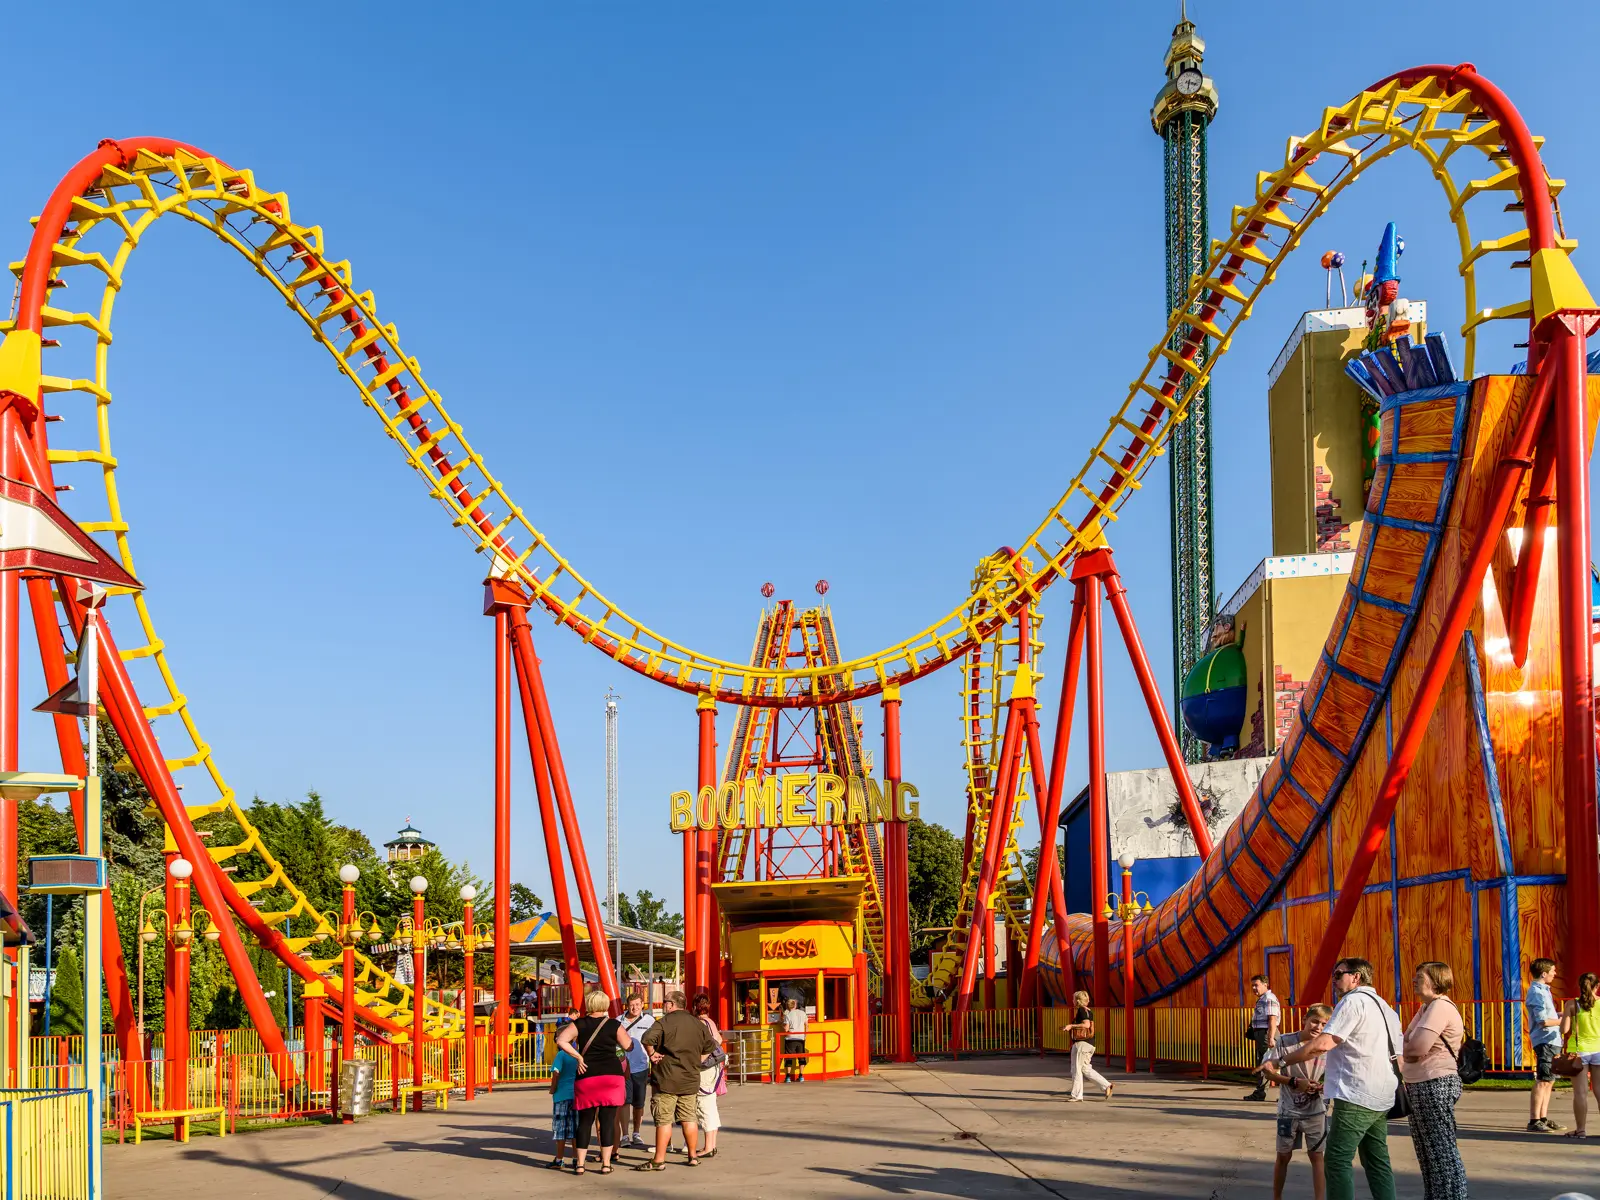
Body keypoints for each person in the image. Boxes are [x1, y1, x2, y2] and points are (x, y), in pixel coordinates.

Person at [1282, 957, 1403, 1200]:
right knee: (1377, 1160)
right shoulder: (1386, 1008)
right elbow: (1397, 1056)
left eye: (1338, 975)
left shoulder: (1353, 1001)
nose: (1334, 981)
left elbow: (1324, 1043)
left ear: (1356, 977)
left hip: (1357, 1094)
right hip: (1382, 1094)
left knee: (1337, 1160)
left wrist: (1282, 1061)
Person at [1402, 962, 1466, 1199]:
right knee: (1426, 1150)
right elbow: (1405, 1043)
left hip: (1435, 1083)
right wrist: (1407, 1049)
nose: (1414, 981)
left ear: (1436, 980)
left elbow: (1414, 1048)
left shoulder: (1440, 1007)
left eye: (1420, 977)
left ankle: (1452, 1196)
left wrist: (1408, 1049)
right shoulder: (1425, 1008)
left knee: (1441, 1151)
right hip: (1419, 1083)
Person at [1258, 1003, 1334, 1200]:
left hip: (1316, 1111)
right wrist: (1293, 1082)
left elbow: (1337, 1076)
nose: (1318, 1027)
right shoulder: (1285, 1041)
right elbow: (1268, 1070)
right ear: (1304, 1020)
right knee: (1283, 1156)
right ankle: (1277, 1197)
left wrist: (1322, 1086)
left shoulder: (1328, 1046)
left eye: (1324, 1024)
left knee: (1317, 1156)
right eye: (1315, 1021)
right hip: (1288, 1110)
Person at [635, 990, 717, 1172]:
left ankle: (659, 1160)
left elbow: (646, 1038)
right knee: (689, 1117)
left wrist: (652, 1054)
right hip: (690, 1079)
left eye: (665, 1002)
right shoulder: (697, 1023)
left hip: (666, 1079)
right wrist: (697, 1061)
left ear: (671, 1005)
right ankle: (693, 1156)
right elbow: (711, 1046)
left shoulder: (664, 1022)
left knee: (664, 1120)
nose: (663, 1005)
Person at [554, 990, 633, 1175]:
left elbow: (561, 1040)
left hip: (586, 1076)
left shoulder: (579, 1023)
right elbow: (628, 1045)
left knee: (585, 1121)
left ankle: (580, 1164)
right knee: (607, 1121)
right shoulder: (614, 1024)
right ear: (605, 1004)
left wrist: (579, 1056)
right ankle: (606, 1164)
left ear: (589, 1004)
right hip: (611, 1077)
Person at [1559, 971, 1600, 1140]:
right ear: (1597, 986)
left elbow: (1564, 1030)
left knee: (1580, 1093)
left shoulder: (1572, 1004)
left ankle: (1581, 1130)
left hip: (1578, 1051)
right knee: (1599, 1090)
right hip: (1598, 1049)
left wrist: (1564, 1017)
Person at [1526, 958, 1565, 1131]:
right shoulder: (1537, 992)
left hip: (1552, 1040)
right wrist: (1561, 1021)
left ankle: (1543, 1117)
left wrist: (1561, 1014)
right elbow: (1543, 1021)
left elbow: (1548, 1015)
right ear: (1544, 973)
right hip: (1545, 1040)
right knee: (1543, 1079)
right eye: (1553, 971)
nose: (1554, 974)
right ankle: (1534, 1120)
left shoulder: (1544, 991)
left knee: (1549, 1080)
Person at [618, 993, 656, 1149]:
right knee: (625, 1102)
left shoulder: (650, 1021)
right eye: (632, 1005)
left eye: (638, 1005)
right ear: (627, 1005)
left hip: (641, 1067)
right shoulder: (618, 1021)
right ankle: (625, 1134)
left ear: (643, 1005)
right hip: (623, 1068)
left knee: (639, 1103)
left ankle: (637, 1133)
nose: (635, 1008)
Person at [546, 1007, 580, 1170]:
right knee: (574, 1128)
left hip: (561, 1096)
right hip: (576, 1095)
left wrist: (552, 1089)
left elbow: (556, 1074)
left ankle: (559, 1159)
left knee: (560, 1130)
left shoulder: (560, 1055)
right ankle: (575, 1157)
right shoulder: (577, 1054)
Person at [1062, 990, 1112, 1102]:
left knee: (1076, 1069)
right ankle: (1106, 1086)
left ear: (1078, 1000)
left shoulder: (1081, 1010)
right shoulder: (1089, 1011)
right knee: (1085, 1068)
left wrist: (1071, 1026)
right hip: (1089, 1044)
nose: (1072, 1000)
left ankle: (1077, 1095)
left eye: (1074, 998)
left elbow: (1086, 1024)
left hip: (1082, 1044)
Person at [693, 992, 727, 1158]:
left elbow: (708, 1045)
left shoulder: (700, 1023)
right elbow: (719, 1040)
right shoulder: (710, 1022)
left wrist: (698, 1061)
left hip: (705, 1069)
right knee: (711, 1106)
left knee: (704, 1106)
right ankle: (711, 1144)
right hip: (715, 1068)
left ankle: (707, 1147)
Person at [1246, 974, 1283, 1102]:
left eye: (1256, 985)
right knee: (1263, 1063)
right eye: (1253, 986)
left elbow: (1272, 1019)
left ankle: (1286, 1094)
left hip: (1267, 1034)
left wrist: (1271, 1037)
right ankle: (1260, 1093)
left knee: (1273, 1064)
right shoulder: (1262, 999)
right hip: (1261, 1034)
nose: (1254, 988)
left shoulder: (1269, 998)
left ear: (1265, 985)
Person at [780, 996, 809, 1083]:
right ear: (795, 1005)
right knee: (801, 1057)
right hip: (801, 1038)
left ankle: (788, 1077)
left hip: (790, 1038)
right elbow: (807, 1025)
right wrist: (805, 1035)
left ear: (788, 1006)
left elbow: (786, 1029)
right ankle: (801, 1076)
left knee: (788, 1057)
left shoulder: (787, 1015)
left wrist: (781, 1023)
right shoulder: (802, 1013)